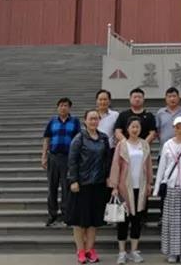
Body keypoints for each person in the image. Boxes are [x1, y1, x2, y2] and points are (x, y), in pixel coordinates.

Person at [67, 109, 112, 264]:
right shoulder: (79, 138)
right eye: (91, 119)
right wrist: (73, 180)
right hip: (81, 185)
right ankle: (80, 250)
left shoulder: (104, 138)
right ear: (85, 121)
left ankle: (90, 249)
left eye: (96, 118)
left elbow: (107, 160)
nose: (94, 121)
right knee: (80, 221)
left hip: (98, 184)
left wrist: (108, 177)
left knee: (94, 220)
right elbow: (72, 160)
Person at [153, 116, 181, 263]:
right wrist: (157, 187)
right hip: (170, 187)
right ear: (174, 128)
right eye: (177, 127)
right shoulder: (167, 145)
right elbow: (162, 167)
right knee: (171, 222)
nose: (180, 130)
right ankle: (172, 252)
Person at [109, 117, 153, 264]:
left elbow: (148, 165)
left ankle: (134, 251)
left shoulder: (144, 144)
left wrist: (149, 183)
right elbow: (116, 165)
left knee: (136, 220)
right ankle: (122, 252)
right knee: (123, 221)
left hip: (140, 187)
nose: (135, 129)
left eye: (137, 127)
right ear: (127, 129)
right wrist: (114, 186)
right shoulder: (122, 145)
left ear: (140, 129)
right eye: (132, 127)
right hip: (124, 187)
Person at [41, 97, 81, 227]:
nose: (63, 108)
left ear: (69, 108)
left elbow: (78, 140)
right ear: (57, 107)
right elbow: (47, 139)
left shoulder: (75, 122)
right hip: (53, 157)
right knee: (52, 187)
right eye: (61, 105)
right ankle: (52, 215)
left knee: (66, 188)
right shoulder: (52, 122)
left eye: (66, 105)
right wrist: (44, 156)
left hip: (67, 158)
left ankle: (66, 215)